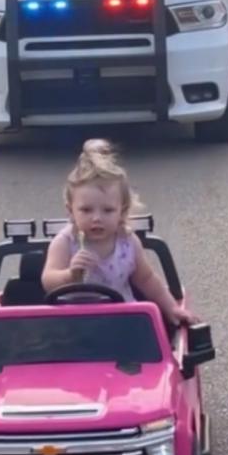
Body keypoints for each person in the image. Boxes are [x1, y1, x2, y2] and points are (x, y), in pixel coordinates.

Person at [41, 139, 199, 328]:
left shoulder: (128, 243)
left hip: (121, 323)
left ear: (122, 211)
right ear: (70, 211)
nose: (96, 218)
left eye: (107, 210)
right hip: (73, 325)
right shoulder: (65, 242)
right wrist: (69, 275)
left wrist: (171, 307)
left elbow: (146, 279)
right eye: (86, 210)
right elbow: (48, 281)